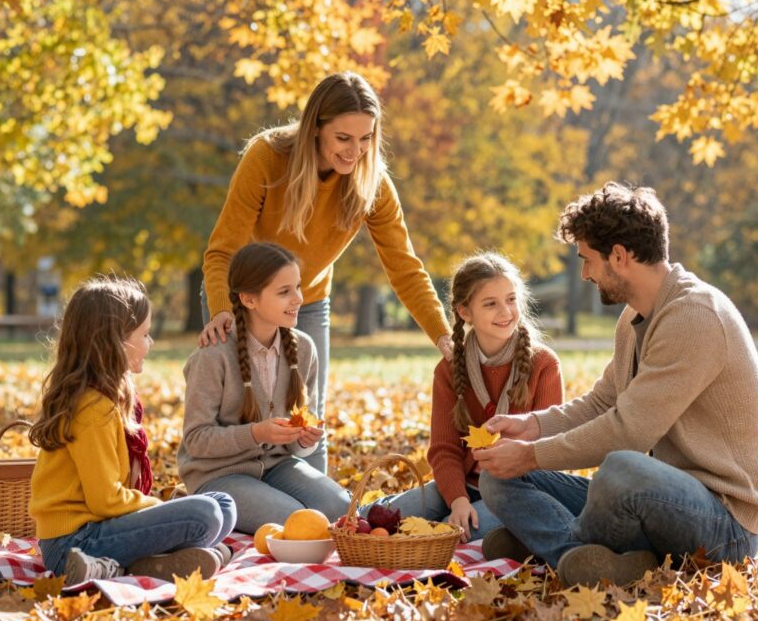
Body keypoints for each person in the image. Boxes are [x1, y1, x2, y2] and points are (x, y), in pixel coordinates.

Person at [474, 183, 758, 587]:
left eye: (587, 260)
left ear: (618, 256)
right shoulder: (634, 317)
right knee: (498, 476)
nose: (584, 274)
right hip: (659, 500)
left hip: (725, 525)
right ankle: (585, 556)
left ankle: (553, 544)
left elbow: (629, 431)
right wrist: (531, 426)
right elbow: (603, 402)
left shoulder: (694, 316)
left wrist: (531, 455)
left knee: (621, 470)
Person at [196, 72, 452, 474]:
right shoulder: (266, 157)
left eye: (366, 138)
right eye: (343, 138)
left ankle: (314, 502)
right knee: (241, 408)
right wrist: (220, 311)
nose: (356, 151)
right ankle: (235, 494)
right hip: (243, 300)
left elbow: (405, 267)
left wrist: (443, 336)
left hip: (308, 301)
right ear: (315, 128)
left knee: (307, 417)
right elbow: (222, 250)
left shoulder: (372, 183)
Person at [29, 276, 237, 585]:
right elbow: (105, 501)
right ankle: (110, 565)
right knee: (205, 513)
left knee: (223, 505)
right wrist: (163, 508)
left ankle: (145, 563)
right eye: (145, 334)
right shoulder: (92, 409)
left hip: (97, 528)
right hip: (72, 543)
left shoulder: (110, 397)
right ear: (115, 341)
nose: (150, 343)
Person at [362, 252, 563, 542]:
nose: (506, 312)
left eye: (511, 299)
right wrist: (457, 499)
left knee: (449, 533)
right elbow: (444, 449)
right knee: (375, 518)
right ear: (465, 312)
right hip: (462, 483)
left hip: (519, 491)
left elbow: (548, 451)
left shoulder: (543, 364)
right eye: (490, 304)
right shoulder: (449, 369)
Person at [179, 242, 351, 534]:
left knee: (342, 508)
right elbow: (196, 439)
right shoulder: (213, 356)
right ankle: (197, 507)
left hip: (278, 467)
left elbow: (299, 448)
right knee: (296, 520)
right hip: (218, 474)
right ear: (249, 299)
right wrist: (256, 433)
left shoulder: (304, 349)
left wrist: (304, 439)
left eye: (298, 287)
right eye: (284, 292)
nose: (298, 299)